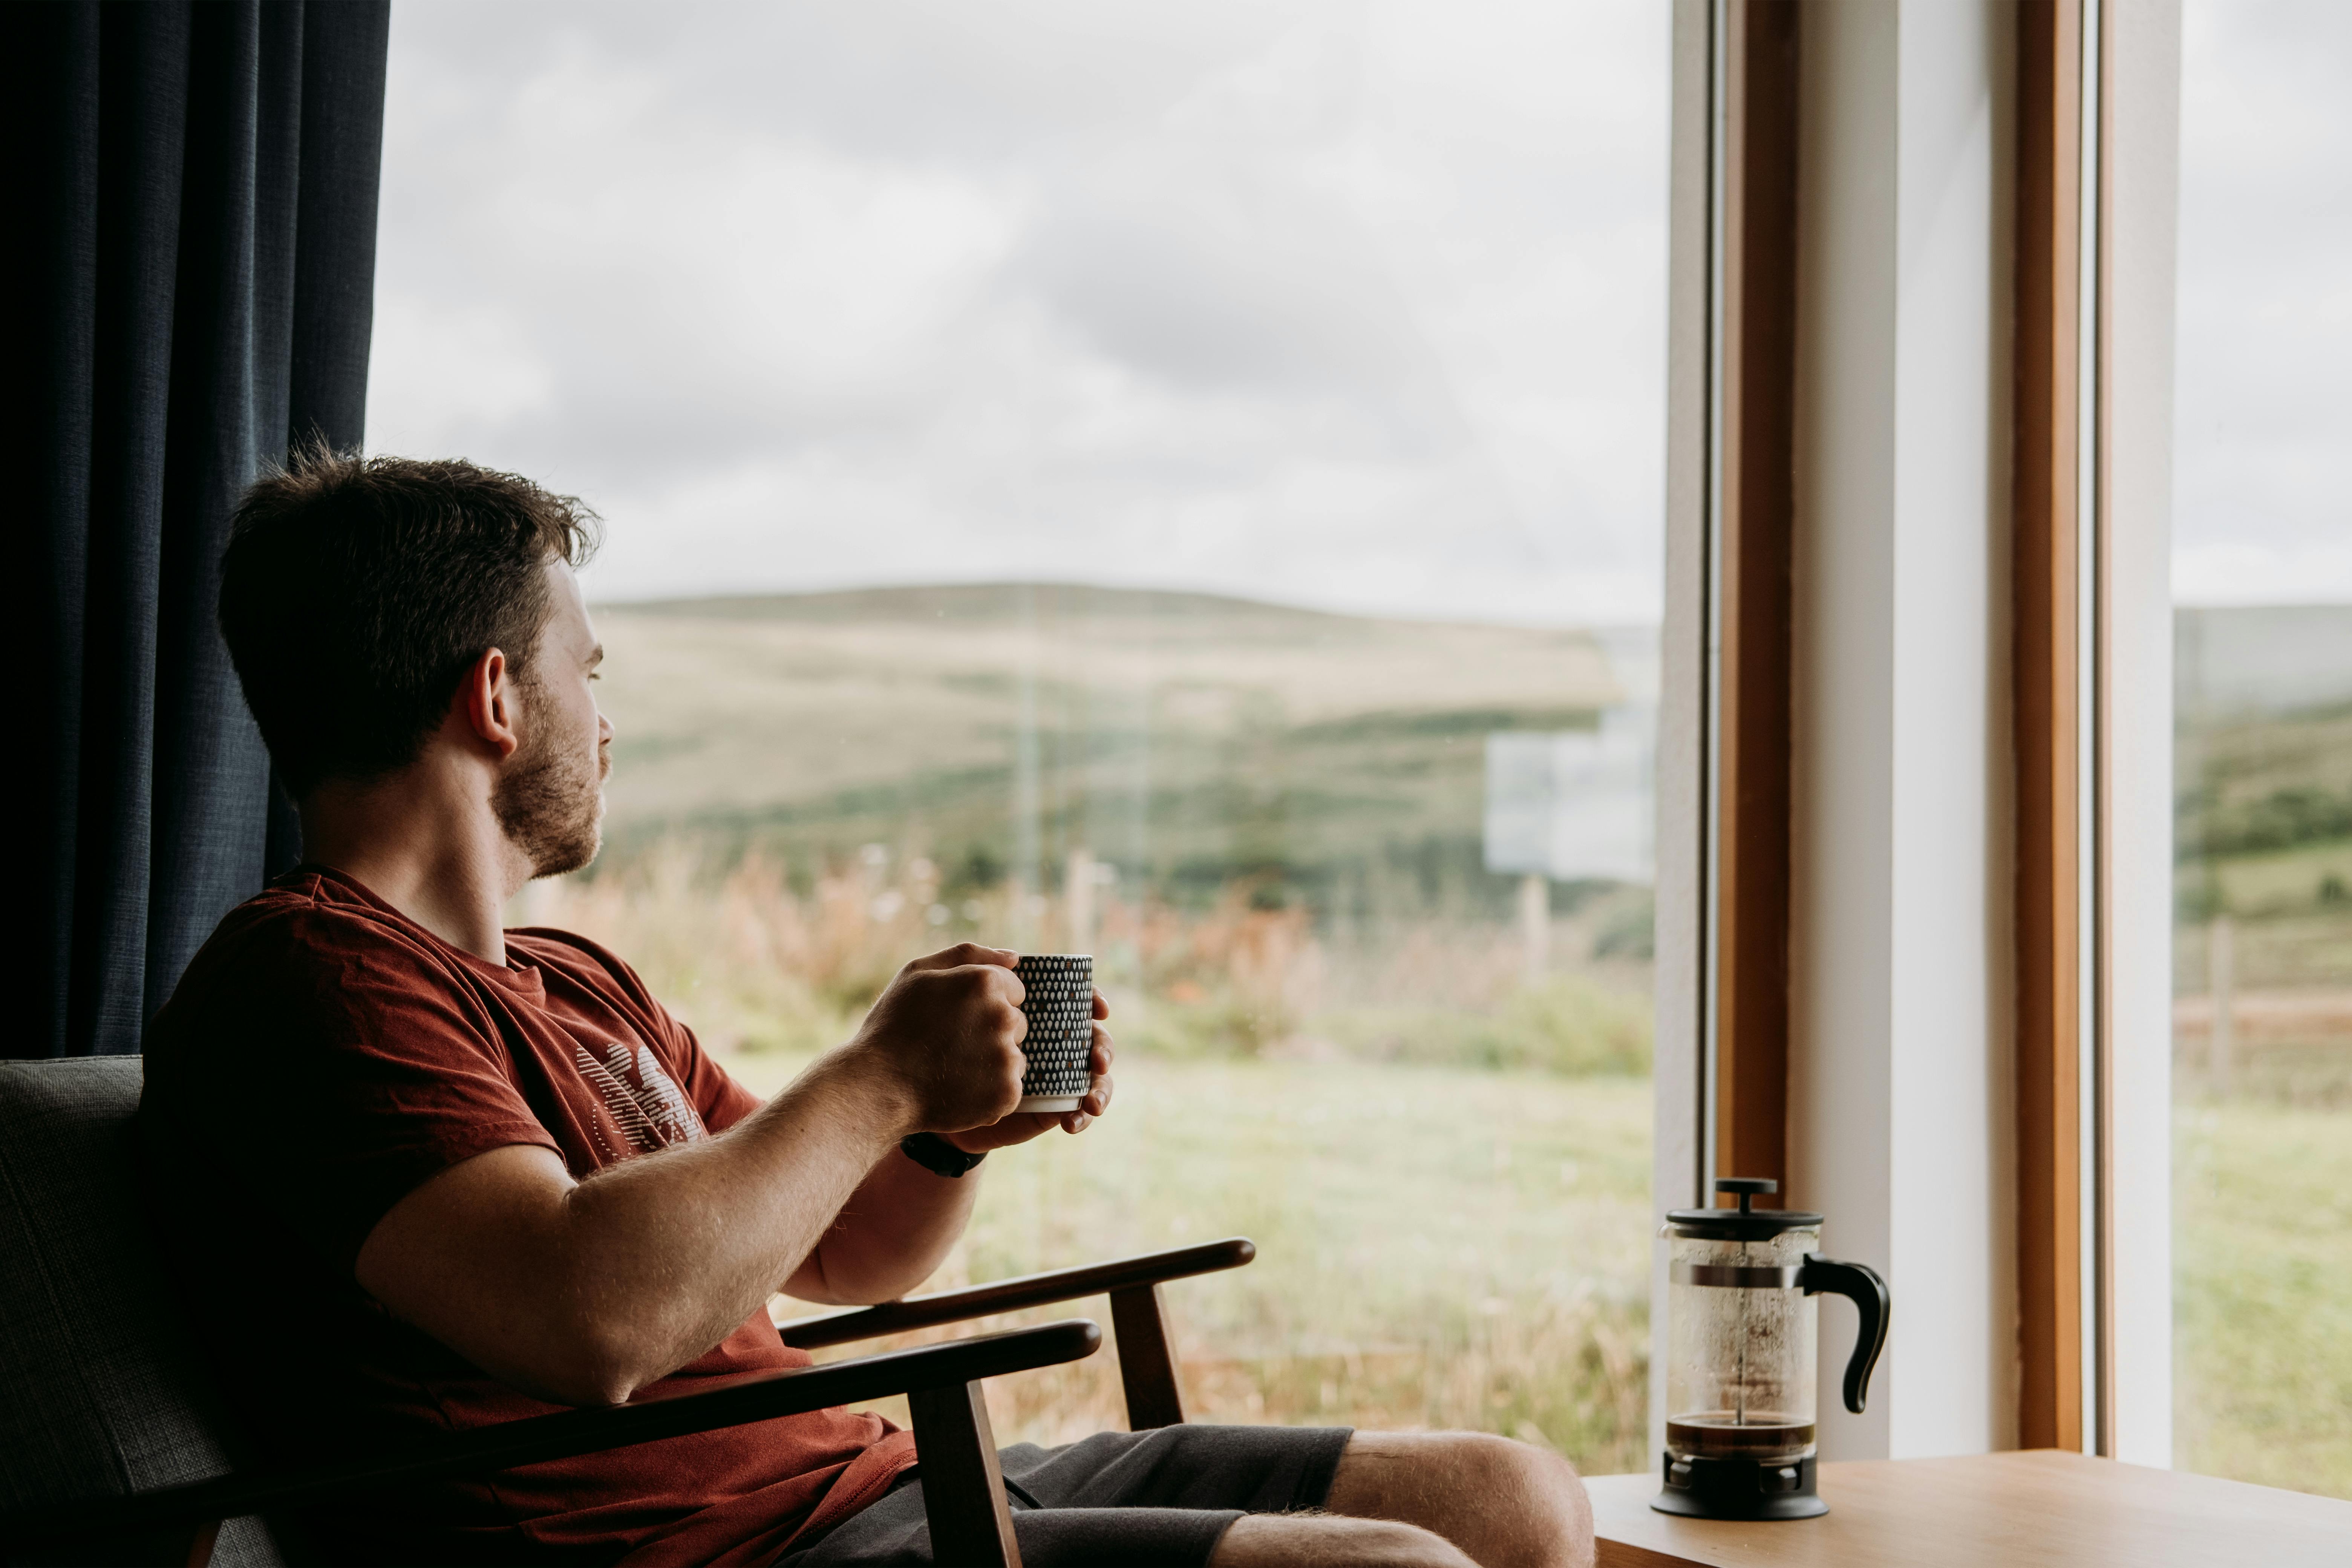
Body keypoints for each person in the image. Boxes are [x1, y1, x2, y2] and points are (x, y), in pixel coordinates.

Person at [140, 450, 1595, 1568]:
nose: (609, 717)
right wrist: (882, 1076)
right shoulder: (311, 985)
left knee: (1512, 1496)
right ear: (499, 698)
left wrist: (948, 1133)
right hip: (719, 1555)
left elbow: (837, 1249)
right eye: (592, 671)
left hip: (873, 1492)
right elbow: (594, 1320)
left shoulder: (571, 977)